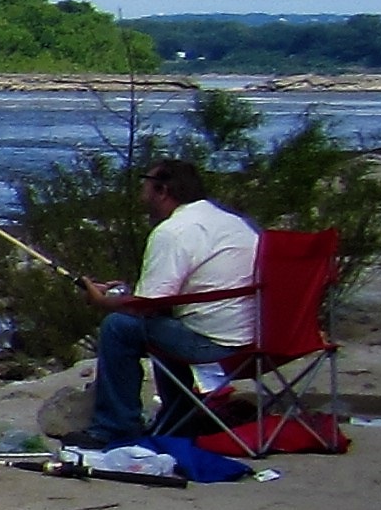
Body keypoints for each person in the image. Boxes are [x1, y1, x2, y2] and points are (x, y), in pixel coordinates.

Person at [76, 158, 259, 447]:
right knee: (160, 326)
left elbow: (146, 306)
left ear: (162, 190)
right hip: (255, 336)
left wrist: (102, 301)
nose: (142, 189)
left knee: (118, 327)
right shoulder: (232, 222)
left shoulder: (173, 231)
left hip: (217, 343)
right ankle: (179, 418)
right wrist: (125, 293)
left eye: (145, 181)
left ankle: (114, 426)